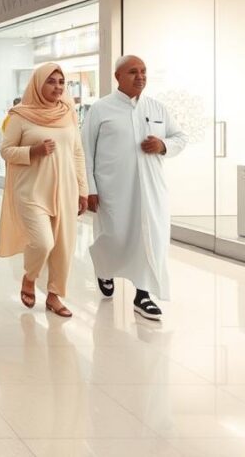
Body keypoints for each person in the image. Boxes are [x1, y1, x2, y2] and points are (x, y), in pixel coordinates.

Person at [84, 55, 187, 321]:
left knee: (150, 238)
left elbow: (180, 137)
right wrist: (90, 188)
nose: (140, 76)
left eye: (143, 71)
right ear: (118, 76)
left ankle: (143, 295)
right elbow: (86, 151)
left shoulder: (157, 108)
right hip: (112, 189)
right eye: (133, 72)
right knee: (114, 236)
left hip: (151, 189)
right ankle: (104, 269)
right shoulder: (101, 109)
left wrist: (163, 145)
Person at [0, 63, 87, 318]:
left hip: (66, 189)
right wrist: (33, 151)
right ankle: (30, 277)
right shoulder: (20, 115)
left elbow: (77, 152)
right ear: (37, 84)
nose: (58, 87)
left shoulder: (68, 113)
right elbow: (6, 150)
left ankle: (54, 296)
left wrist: (83, 189)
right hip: (32, 191)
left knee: (63, 246)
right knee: (43, 242)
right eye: (51, 81)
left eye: (61, 82)